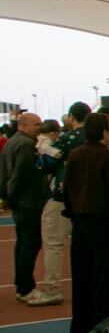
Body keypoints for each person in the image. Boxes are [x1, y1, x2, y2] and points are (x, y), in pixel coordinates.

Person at [63, 112, 109, 333]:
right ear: (105, 132)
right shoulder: (108, 158)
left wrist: (73, 213)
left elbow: (67, 190)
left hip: (81, 223)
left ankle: (81, 327)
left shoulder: (75, 155)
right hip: (105, 224)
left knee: (82, 276)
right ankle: (107, 326)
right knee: (107, 277)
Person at [27, 101, 89, 307]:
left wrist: (43, 147)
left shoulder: (68, 138)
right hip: (88, 198)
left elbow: (46, 162)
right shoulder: (92, 139)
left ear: (71, 117)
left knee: (53, 243)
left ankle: (52, 288)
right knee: (85, 246)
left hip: (63, 197)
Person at [0, 113, 48, 303]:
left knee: (22, 243)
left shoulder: (13, 142)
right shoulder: (26, 145)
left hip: (21, 201)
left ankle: (22, 284)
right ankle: (26, 287)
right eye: (36, 124)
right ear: (24, 125)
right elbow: (20, 174)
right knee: (30, 243)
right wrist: (12, 196)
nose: (40, 127)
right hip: (28, 201)